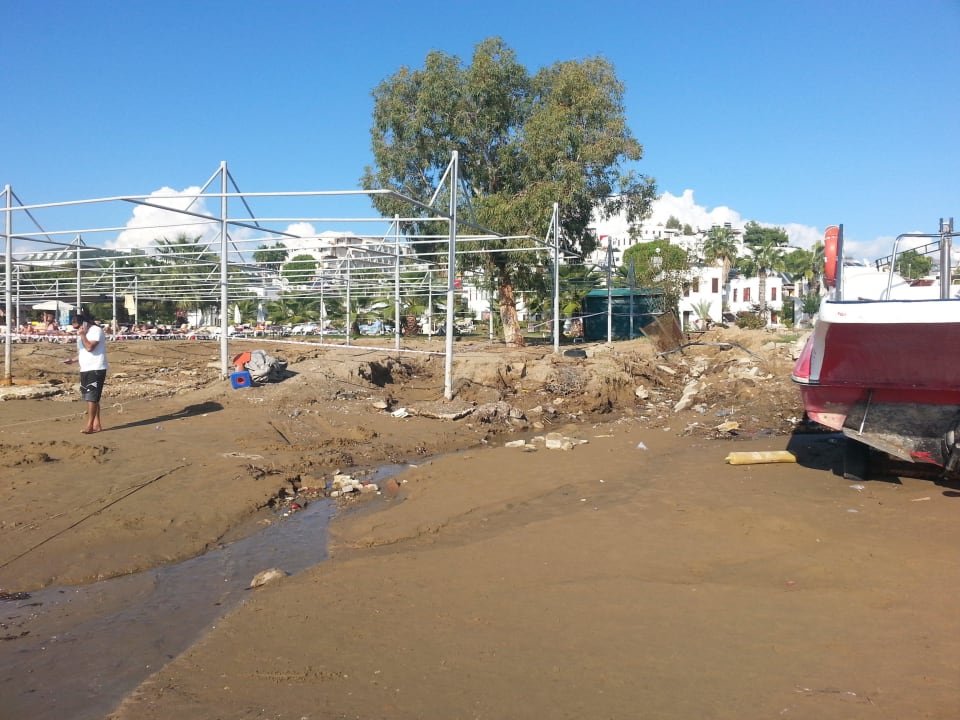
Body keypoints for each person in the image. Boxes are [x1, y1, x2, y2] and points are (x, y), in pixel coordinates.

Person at [68, 309, 109, 434]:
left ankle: (89, 425)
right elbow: (84, 351)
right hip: (85, 368)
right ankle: (97, 424)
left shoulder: (96, 330)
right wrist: (73, 360)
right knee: (90, 397)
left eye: (78, 327)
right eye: (75, 328)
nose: (77, 330)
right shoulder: (82, 334)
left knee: (92, 397)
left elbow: (90, 347)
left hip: (96, 367)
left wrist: (82, 335)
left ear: (85, 323)